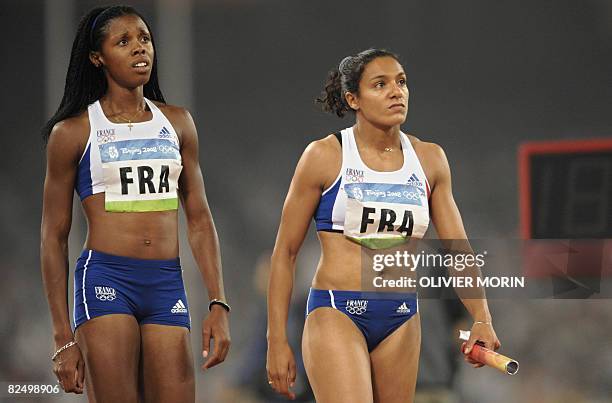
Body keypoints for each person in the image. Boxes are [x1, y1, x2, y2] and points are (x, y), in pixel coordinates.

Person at [266, 49, 500, 402]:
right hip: (337, 309)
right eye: (380, 84)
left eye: (401, 82)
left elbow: (459, 249)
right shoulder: (325, 156)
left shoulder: (430, 159)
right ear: (353, 99)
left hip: (401, 315)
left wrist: (482, 317)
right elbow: (285, 253)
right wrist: (276, 339)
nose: (396, 91)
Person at [40, 6, 230, 402]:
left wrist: (218, 301)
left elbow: (199, 219)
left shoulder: (177, 123)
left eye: (144, 38)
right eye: (123, 42)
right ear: (98, 58)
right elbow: (53, 235)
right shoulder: (74, 132)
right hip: (106, 279)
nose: (139, 48)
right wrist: (62, 337)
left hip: (165, 282)